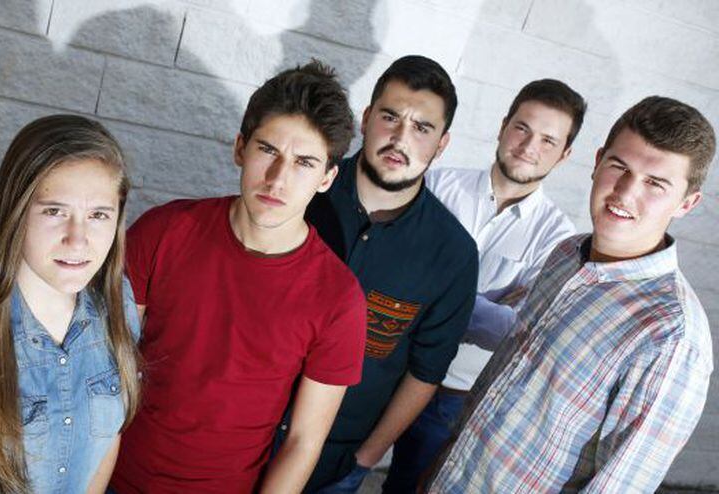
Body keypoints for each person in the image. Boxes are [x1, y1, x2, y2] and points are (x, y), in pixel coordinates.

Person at [429, 96, 716, 493]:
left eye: (655, 183)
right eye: (619, 166)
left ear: (686, 203)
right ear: (597, 162)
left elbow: (619, 485)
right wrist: (443, 461)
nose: (625, 192)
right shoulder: (567, 253)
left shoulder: (672, 336)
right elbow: (502, 374)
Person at [110, 61, 367, 493]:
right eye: (268, 150)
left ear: (327, 178)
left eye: (304, 163)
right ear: (239, 148)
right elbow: (103, 373)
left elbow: (304, 441)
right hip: (113, 477)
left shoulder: (339, 299)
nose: (278, 179)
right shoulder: (164, 231)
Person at [385, 79, 586, 492]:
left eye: (548, 140)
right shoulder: (435, 186)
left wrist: (435, 294)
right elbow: (389, 275)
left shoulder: (558, 241)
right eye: (522, 128)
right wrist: (484, 308)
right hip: (386, 365)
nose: (529, 147)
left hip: (452, 396)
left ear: (565, 154)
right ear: (502, 126)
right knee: (342, 469)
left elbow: (518, 331)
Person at [303, 55, 478, 492]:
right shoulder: (302, 190)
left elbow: (426, 371)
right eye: (390, 117)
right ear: (366, 119)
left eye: (422, 128)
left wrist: (365, 458)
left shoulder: (453, 253)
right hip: (246, 430)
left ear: (442, 144)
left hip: (335, 461)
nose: (401, 138)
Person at [0, 115, 141, 494]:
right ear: (15, 211)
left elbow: (109, 437)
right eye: (54, 211)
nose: (78, 239)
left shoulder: (116, 303)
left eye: (98, 215)